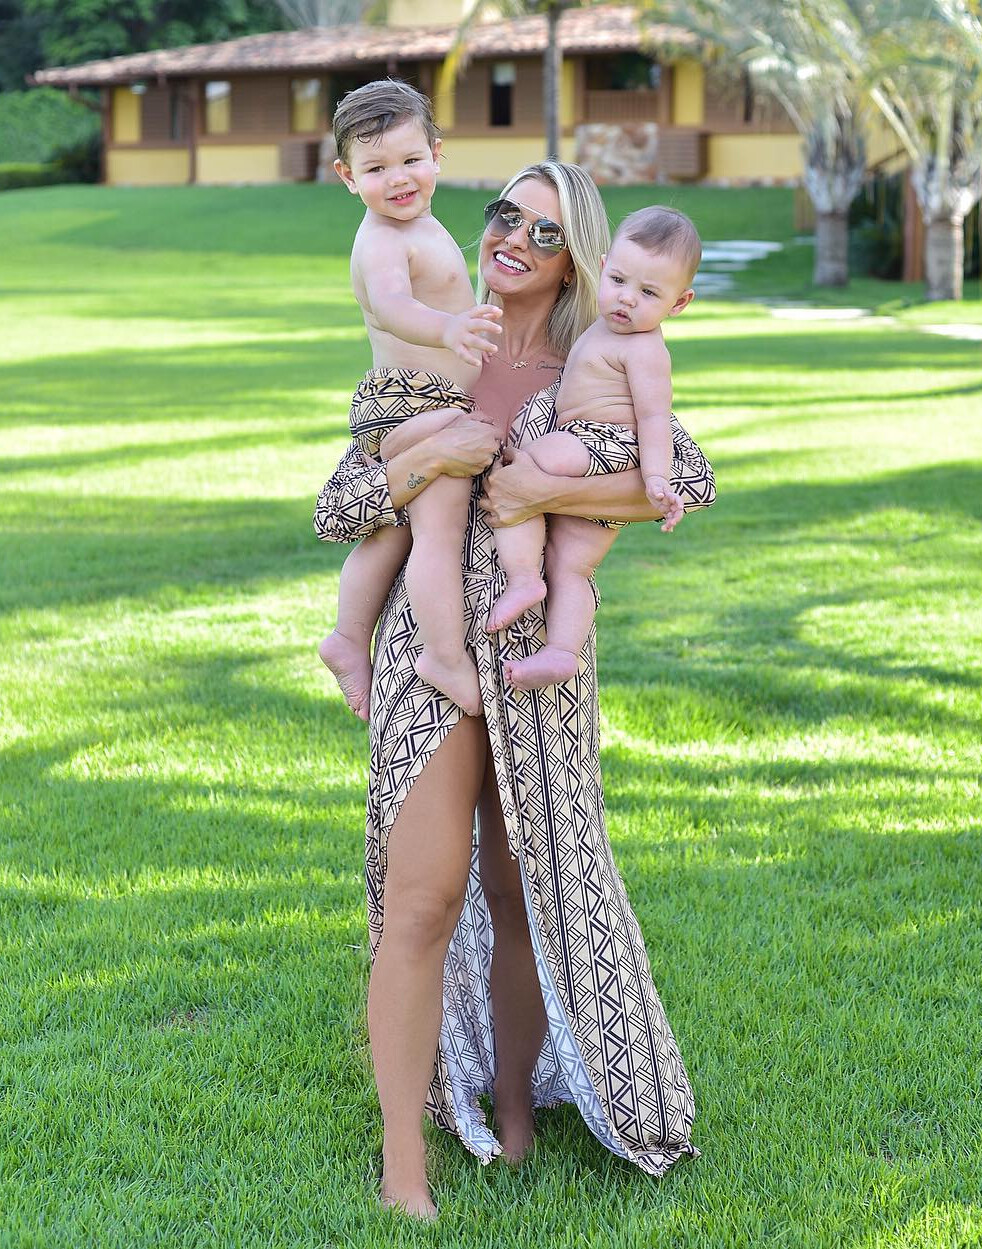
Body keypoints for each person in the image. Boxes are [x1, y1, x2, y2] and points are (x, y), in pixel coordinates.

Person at [313, 162, 716, 1221]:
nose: (512, 241)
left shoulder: (603, 359)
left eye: (543, 231)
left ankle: (523, 1113)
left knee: (520, 889)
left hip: (537, 640)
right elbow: (339, 502)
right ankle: (406, 1154)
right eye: (503, 216)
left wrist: (547, 482)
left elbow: (691, 475)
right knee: (425, 896)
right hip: (432, 636)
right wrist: (433, 455)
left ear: (576, 255)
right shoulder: (442, 339)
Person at [317, 79, 503, 722]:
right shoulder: (382, 241)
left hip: (427, 400)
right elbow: (395, 307)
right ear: (347, 176)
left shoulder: (418, 221)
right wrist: (448, 328)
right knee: (439, 525)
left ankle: (347, 634)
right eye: (375, 168)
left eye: (410, 160)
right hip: (414, 402)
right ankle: (444, 655)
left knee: (391, 533)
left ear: (437, 155)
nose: (397, 179)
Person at [487, 205, 702, 690]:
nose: (627, 300)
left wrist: (655, 480)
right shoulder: (600, 325)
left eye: (649, 293)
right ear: (602, 268)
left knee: (527, 462)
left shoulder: (644, 348)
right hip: (590, 455)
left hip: (602, 445)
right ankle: (562, 652)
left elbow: (653, 417)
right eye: (620, 281)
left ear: (680, 301)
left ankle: (522, 577)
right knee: (572, 565)